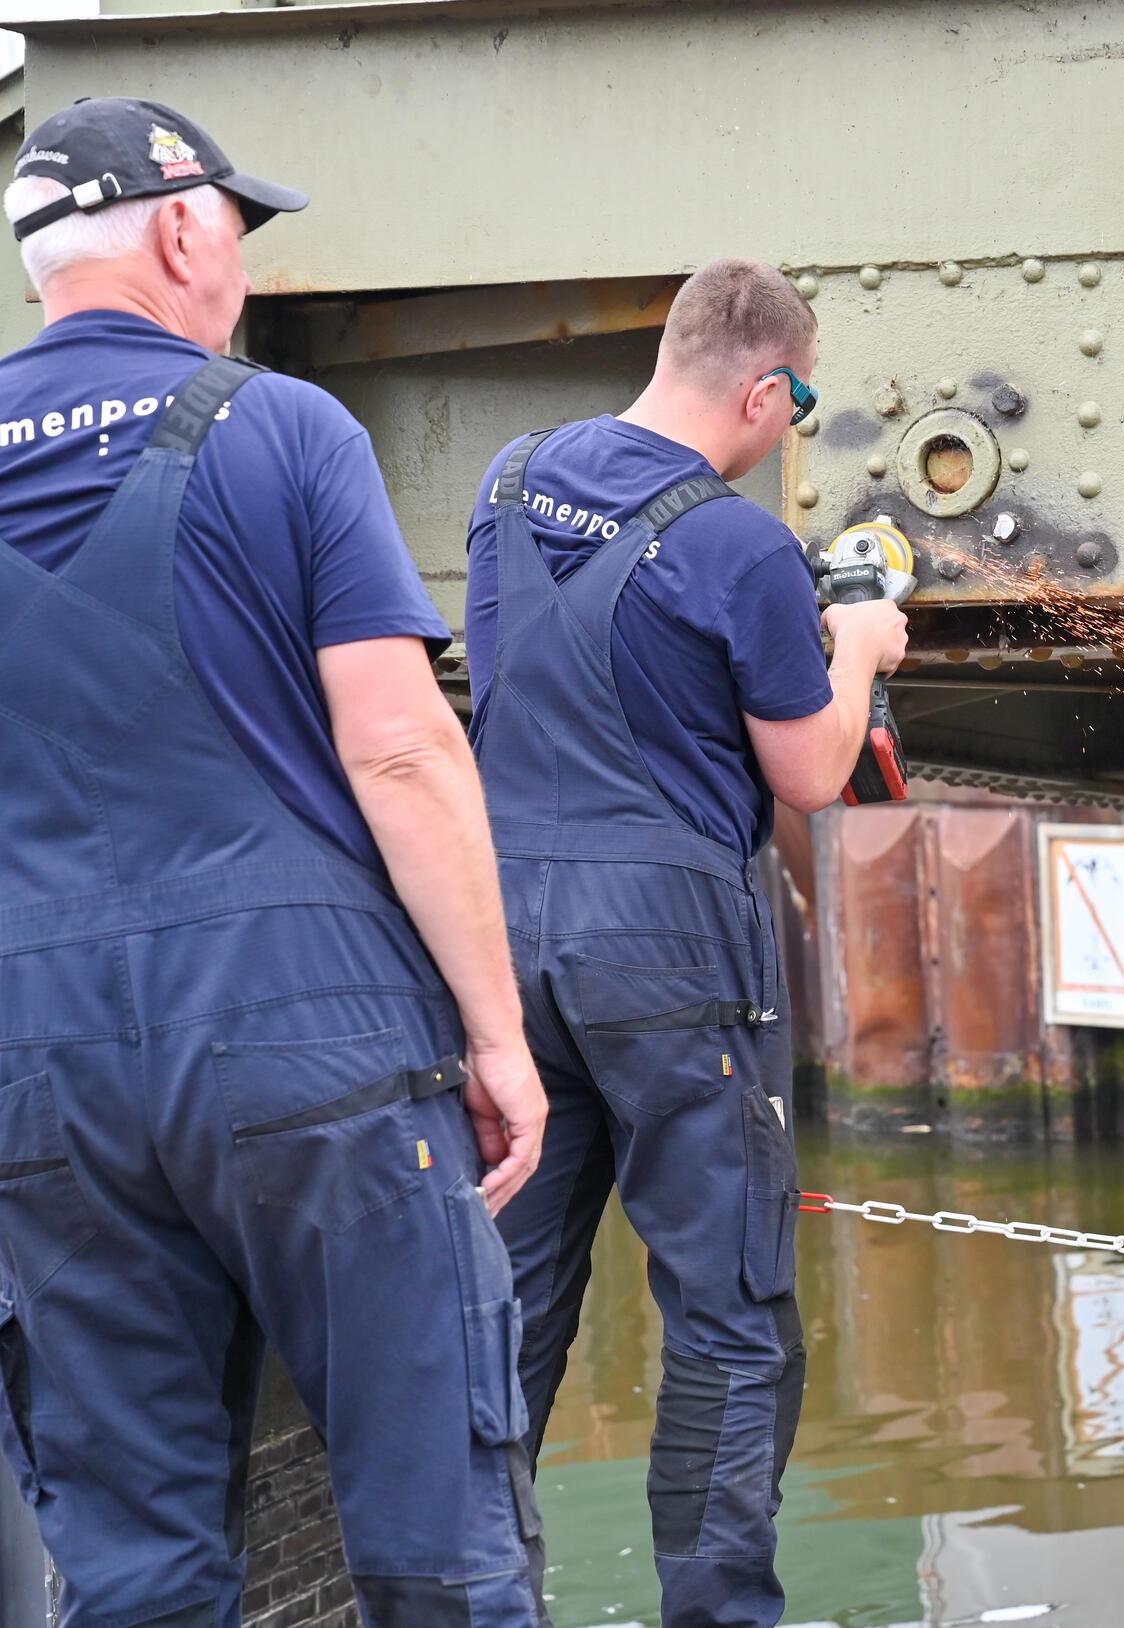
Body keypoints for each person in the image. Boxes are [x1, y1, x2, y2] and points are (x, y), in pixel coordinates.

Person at [0, 98, 550, 1625]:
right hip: (310, 1036)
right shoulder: (283, 427)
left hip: (38, 1070)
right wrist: (497, 1031)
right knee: (440, 1536)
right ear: (181, 228)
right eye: (238, 232)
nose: (238, 267)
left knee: (134, 1570)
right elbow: (398, 749)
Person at [464, 257, 908, 1624]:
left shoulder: (508, 481)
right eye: (806, 396)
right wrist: (861, 649)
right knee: (725, 1314)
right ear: (767, 390)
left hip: (501, 940)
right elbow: (814, 774)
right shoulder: (738, 545)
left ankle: (473, 1599)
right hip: (669, 958)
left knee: (508, 1305)